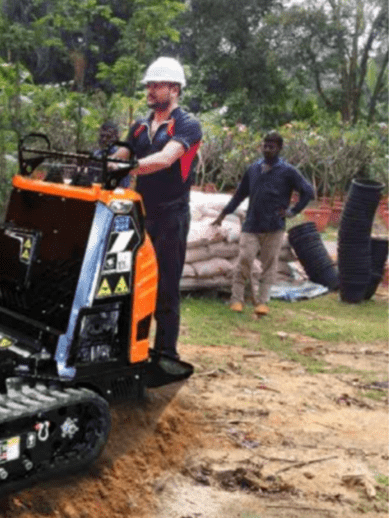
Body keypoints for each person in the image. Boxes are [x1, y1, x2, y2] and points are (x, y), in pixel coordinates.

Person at [109, 57, 203, 362]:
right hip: (141, 214)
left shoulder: (187, 125)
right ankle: (128, 347)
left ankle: (166, 352)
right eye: (149, 84)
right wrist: (103, 164)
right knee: (129, 281)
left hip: (171, 216)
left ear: (174, 89)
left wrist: (130, 167)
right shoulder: (139, 126)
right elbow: (119, 155)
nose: (150, 90)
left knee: (165, 285)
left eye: (156, 84)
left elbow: (165, 158)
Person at [211, 131, 313, 315]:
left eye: (271, 146)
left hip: (274, 227)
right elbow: (239, 195)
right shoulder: (253, 169)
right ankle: (237, 299)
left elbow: (308, 191)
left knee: (269, 265)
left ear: (280, 148)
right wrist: (223, 215)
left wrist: (292, 212)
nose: (267, 149)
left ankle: (263, 302)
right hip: (251, 225)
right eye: (265, 145)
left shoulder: (288, 171)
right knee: (244, 259)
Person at [71, 121, 129, 188]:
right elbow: (90, 178)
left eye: (108, 136)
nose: (104, 139)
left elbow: (123, 187)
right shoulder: (96, 154)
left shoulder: (121, 156)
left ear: (116, 138)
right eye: (102, 136)